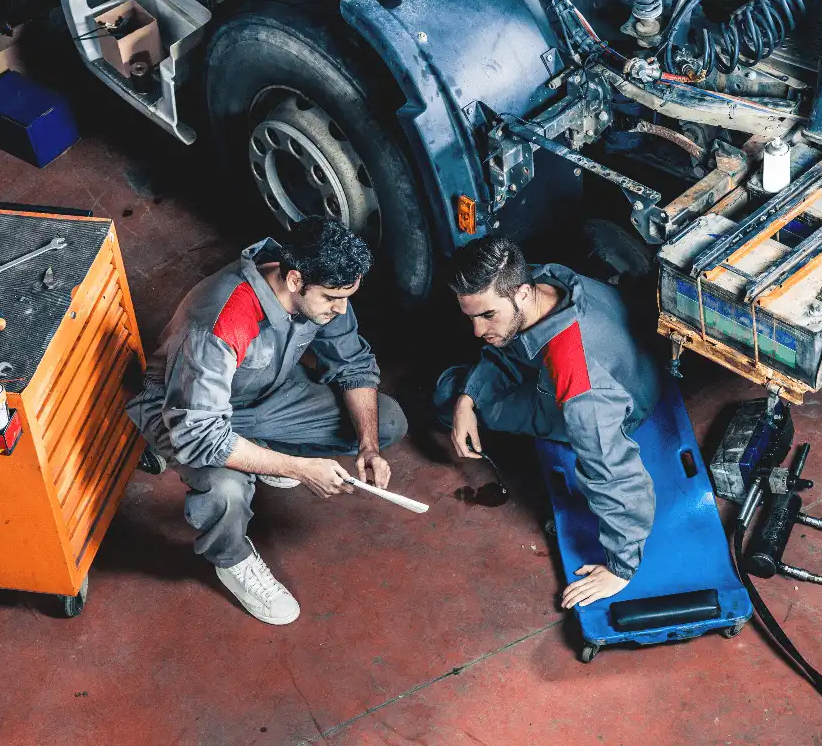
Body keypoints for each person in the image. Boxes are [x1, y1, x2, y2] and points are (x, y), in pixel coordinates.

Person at [127, 218, 408, 625]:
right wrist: (301, 468)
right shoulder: (223, 319)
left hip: (266, 394)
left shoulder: (319, 284)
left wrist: (368, 445)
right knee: (226, 490)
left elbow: (353, 363)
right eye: (332, 298)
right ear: (295, 280)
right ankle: (232, 560)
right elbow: (201, 435)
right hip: (187, 413)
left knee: (388, 422)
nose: (341, 308)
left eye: (348, 296)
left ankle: (263, 451)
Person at [434, 235, 660, 608]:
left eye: (487, 315)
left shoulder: (581, 391)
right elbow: (510, 344)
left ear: (521, 293)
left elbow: (616, 473)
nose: (477, 330)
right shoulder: (548, 279)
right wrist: (469, 398)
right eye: (471, 316)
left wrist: (621, 568)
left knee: (446, 390)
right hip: (628, 357)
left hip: (622, 400)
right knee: (472, 383)